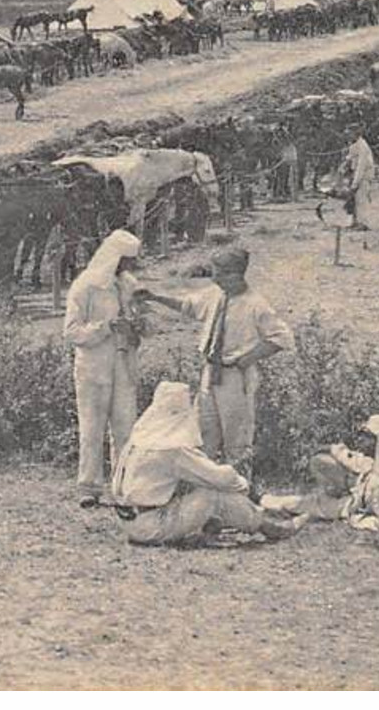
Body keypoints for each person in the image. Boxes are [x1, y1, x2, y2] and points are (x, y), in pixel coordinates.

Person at [134, 246, 293, 483]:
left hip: (235, 378)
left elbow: (282, 338)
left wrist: (246, 359)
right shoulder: (214, 295)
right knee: (203, 435)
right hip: (209, 373)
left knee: (237, 440)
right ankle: (206, 489)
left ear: (235, 274)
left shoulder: (255, 304)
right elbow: (187, 306)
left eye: (219, 273)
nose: (214, 278)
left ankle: (241, 493)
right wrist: (156, 297)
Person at [110, 381, 303, 546]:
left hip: (129, 521)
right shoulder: (172, 449)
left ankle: (209, 525)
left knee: (197, 487)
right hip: (151, 525)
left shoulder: (139, 440)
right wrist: (246, 488)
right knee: (213, 494)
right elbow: (221, 478)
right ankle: (270, 526)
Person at [62, 229, 144, 504]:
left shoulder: (129, 285)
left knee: (125, 426)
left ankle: (123, 486)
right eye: (127, 261)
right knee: (92, 426)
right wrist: (105, 328)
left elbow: (149, 322)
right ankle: (89, 487)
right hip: (94, 366)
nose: (130, 267)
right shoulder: (85, 287)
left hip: (124, 364)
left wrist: (139, 326)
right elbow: (72, 332)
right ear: (115, 259)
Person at [261, 415, 379, 533]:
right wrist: (329, 448)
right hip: (362, 494)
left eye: (368, 437)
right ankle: (267, 501)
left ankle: (266, 503)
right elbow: (356, 461)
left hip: (361, 506)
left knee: (317, 505)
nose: (362, 441)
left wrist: (355, 519)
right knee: (320, 463)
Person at [339, 129, 376, 231]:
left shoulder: (363, 146)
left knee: (361, 199)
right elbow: (350, 156)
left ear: (356, 134)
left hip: (364, 175)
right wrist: (344, 164)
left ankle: (363, 223)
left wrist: (355, 183)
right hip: (354, 173)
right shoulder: (355, 144)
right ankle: (354, 222)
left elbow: (361, 166)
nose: (348, 136)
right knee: (354, 200)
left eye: (349, 134)